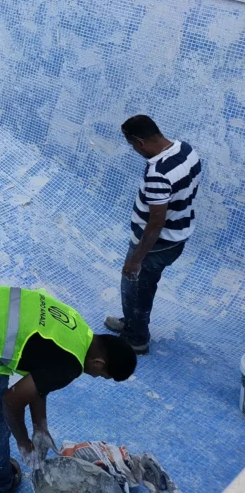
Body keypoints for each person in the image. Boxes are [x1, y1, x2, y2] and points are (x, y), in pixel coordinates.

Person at [0, 284, 137, 493]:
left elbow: (39, 377)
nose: (97, 377)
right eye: (103, 376)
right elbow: (11, 401)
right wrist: (24, 444)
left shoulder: (79, 329)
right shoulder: (71, 365)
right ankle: (2, 482)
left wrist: (40, 426)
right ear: (99, 363)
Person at [105, 115, 202, 354]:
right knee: (142, 287)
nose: (135, 151)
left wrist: (136, 259)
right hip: (178, 236)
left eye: (132, 146)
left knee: (135, 286)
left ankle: (136, 339)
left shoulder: (158, 174)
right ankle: (133, 323)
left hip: (157, 244)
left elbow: (156, 221)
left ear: (139, 142)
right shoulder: (187, 151)